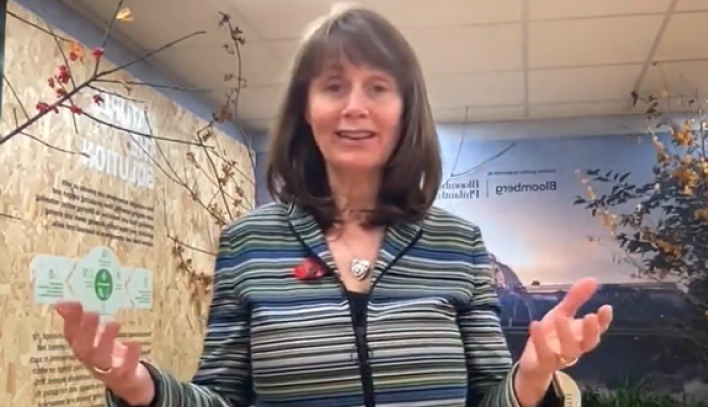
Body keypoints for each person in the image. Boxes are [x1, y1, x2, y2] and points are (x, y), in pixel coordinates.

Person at [54, 4, 613, 407]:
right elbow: (223, 398)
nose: (355, 107)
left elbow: (491, 398)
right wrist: (141, 389)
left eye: (377, 87)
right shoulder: (249, 242)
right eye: (333, 86)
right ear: (306, 108)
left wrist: (533, 375)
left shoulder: (457, 243)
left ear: (405, 110)